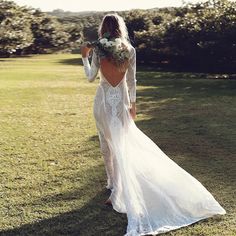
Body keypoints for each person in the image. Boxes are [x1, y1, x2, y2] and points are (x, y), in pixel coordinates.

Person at [80, 13, 226, 236]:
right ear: (120, 28)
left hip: (102, 103)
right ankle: (115, 188)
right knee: (122, 145)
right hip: (122, 103)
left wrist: (84, 57)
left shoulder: (98, 49)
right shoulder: (129, 50)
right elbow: (131, 80)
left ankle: (113, 186)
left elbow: (91, 77)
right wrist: (134, 105)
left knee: (106, 144)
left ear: (103, 30)